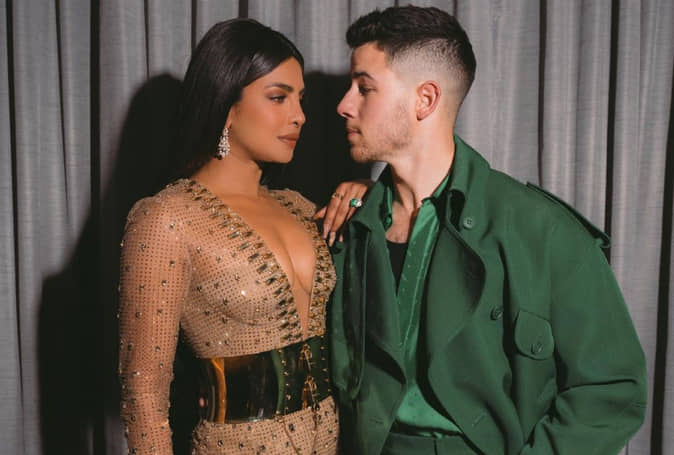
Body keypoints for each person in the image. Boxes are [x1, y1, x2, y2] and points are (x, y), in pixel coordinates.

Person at [328, 6, 647, 455]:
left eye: (364, 88)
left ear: (425, 100)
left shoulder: (541, 230)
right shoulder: (350, 223)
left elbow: (610, 390)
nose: (344, 105)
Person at [118, 19, 362, 455]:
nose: (299, 116)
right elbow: (144, 394)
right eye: (278, 97)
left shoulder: (301, 207)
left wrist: (370, 195)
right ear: (226, 104)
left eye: (300, 99)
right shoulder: (167, 219)